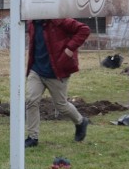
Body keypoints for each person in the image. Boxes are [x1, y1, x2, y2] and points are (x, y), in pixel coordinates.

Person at [24, 18, 91, 147]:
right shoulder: (31, 23)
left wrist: (69, 49)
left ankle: (81, 122)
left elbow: (84, 30)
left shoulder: (59, 20)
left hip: (57, 71)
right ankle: (32, 138)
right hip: (36, 71)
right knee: (31, 100)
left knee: (61, 105)